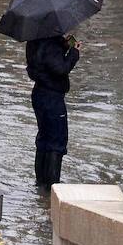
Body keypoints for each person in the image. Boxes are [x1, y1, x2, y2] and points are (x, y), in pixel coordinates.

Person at [26, 33, 81, 191]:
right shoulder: (49, 44)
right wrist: (74, 53)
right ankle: (52, 189)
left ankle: (41, 186)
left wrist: (62, 45)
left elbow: (45, 62)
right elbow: (60, 68)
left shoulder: (34, 38)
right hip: (52, 97)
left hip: (40, 93)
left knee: (44, 140)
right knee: (56, 143)